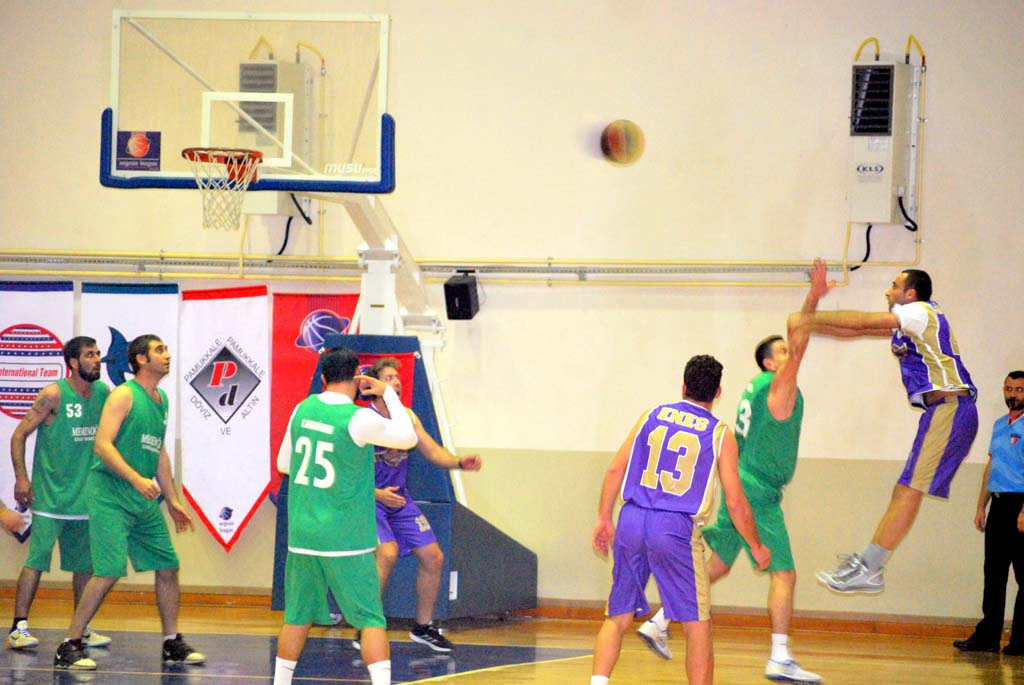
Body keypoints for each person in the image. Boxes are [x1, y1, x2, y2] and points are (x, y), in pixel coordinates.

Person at [638, 260, 832, 683]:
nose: (789, 354)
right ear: (769, 363)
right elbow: (801, 338)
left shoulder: (755, 388)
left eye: (787, 351)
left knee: (719, 565)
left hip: (739, 483)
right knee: (784, 572)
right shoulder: (777, 387)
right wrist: (813, 298)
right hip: (758, 490)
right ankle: (780, 656)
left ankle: (659, 620)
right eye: (781, 352)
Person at [590, 354, 770, 685]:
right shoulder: (719, 433)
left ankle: (598, 682)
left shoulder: (652, 415)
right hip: (675, 527)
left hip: (631, 518)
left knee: (618, 616)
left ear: (683, 386)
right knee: (698, 625)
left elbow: (615, 469)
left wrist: (604, 517)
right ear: (718, 393)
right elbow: (735, 502)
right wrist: (756, 545)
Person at [795, 269, 978, 593]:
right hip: (944, 410)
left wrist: (809, 318)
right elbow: (858, 331)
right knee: (904, 490)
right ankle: (869, 565)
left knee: (908, 491)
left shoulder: (919, 312)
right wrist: (812, 324)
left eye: (894, 286)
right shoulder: (909, 324)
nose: (887, 291)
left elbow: (863, 322)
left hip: (951, 407)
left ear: (910, 294)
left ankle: (870, 568)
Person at [53, 334, 202, 671]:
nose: (167, 355)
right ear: (140, 360)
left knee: (168, 566)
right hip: (109, 494)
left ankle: (171, 642)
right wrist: (136, 478)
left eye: (166, 349)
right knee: (107, 571)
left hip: (142, 499)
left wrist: (173, 500)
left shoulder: (161, 399)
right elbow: (102, 446)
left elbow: (158, 452)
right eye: (159, 350)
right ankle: (69, 644)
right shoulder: (124, 394)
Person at [273, 347, 417, 685]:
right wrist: (388, 394)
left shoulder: (302, 408)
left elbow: (284, 464)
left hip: (303, 534)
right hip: (345, 537)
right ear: (357, 378)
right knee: (370, 619)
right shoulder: (358, 418)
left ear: (323, 378)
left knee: (297, 616)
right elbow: (408, 437)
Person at [352, 357, 482, 653]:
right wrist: (377, 492)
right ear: (374, 386)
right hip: (370, 499)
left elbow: (434, 452)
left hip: (400, 500)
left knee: (434, 557)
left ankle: (423, 627)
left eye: (397, 378)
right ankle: (366, 627)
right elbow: (346, 472)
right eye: (388, 377)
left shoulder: (407, 417)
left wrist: (460, 462)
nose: (395, 382)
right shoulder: (363, 420)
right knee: (387, 554)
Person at [8, 337, 112, 652]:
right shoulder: (53, 395)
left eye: (97, 353)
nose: (97, 359)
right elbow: (19, 435)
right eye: (89, 355)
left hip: (86, 497)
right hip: (51, 497)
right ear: (74, 363)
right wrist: (22, 478)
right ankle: (18, 627)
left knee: (84, 566)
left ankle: (81, 627)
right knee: (36, 561)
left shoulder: (104, 393)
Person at [953, 370, 1024, 656]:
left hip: (1020, 506)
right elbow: (991, 467)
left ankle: (1020, 641)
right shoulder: (999, 425)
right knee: (993, 574)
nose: (1013, 394)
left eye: (1019, 389)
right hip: (999, 504)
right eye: (1009, 389)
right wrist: (981, 505)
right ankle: (988, 636)